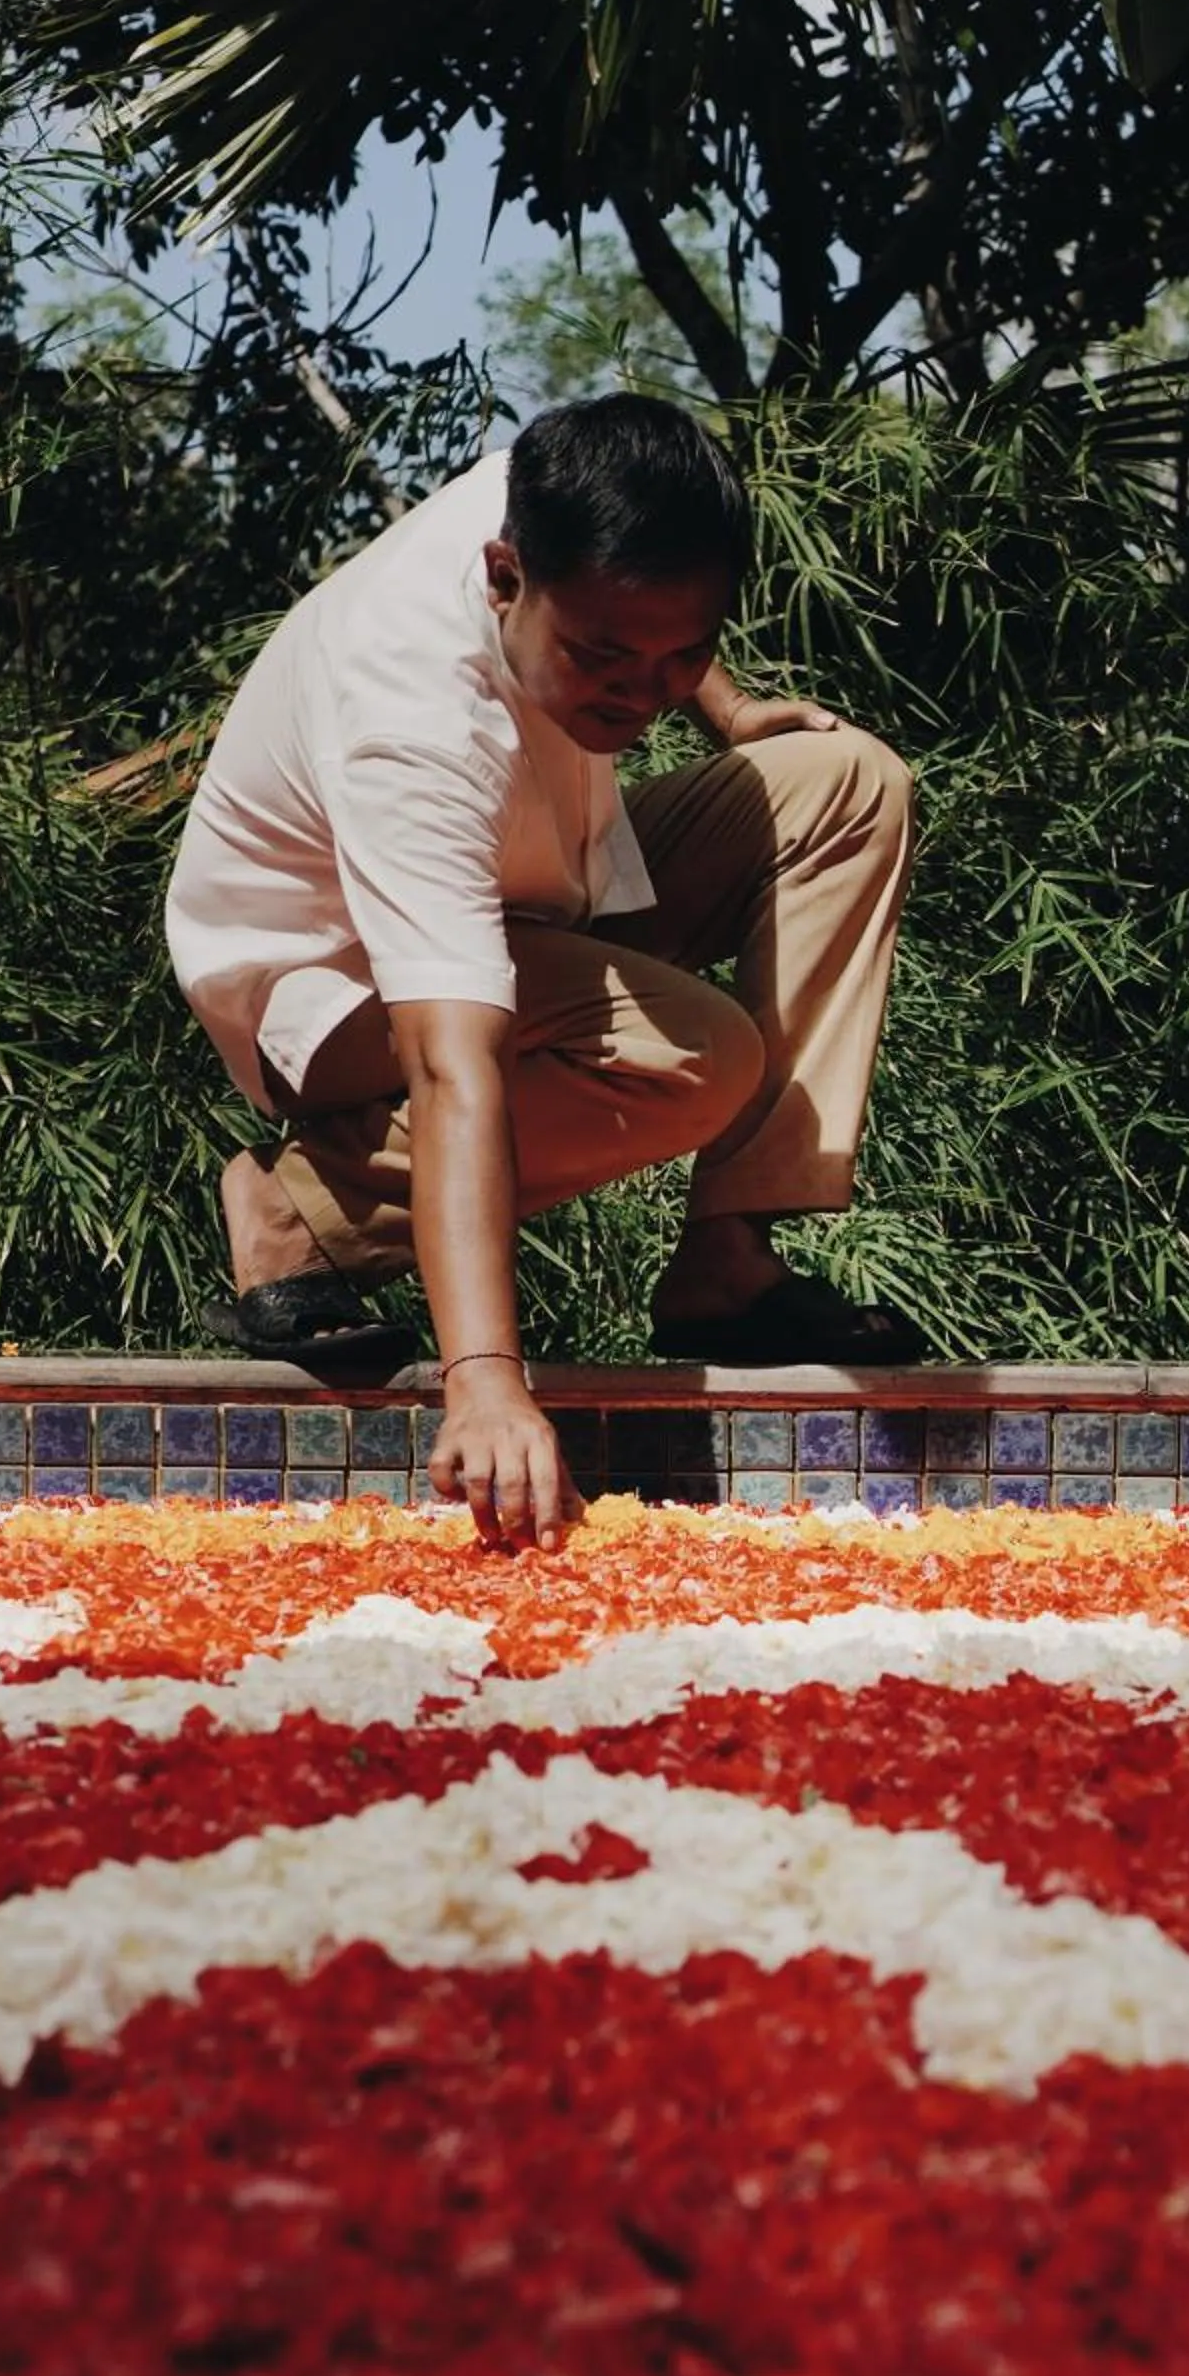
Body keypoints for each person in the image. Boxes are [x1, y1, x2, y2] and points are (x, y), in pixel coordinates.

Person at [165, 393, 921, 1553]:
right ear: (504, 577)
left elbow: (652, 618)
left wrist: (723, 705)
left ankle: (729, 1260)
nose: (638, 690)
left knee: (845, 782)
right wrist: (485, 1382)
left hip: (541, 897)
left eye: (683, 650)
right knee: (695, 1055)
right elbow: (449, 1065)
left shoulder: (558, 483)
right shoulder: (412, 723)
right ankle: (299, 1211)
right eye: (603, 656)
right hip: (334, 984)